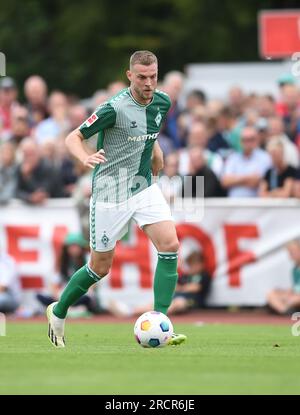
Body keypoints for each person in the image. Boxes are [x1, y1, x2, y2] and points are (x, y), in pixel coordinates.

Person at [46, 50, 186, 348]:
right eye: (142, 77)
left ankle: (161, 321)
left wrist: (157, 155)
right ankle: (58, 312)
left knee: (170, 245)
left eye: (153, 77)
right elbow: (74, 137)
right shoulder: (114, 107)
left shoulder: (163, 101)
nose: (148, 83)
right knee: (99, 267)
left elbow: (152, 132)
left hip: (143, 187)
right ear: (129, 76)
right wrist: (85, 157)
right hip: (110, 192)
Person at [108, 248, 211, 317]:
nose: (191, 268)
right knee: (158, 302)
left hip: (192, 301)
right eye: (190, 265)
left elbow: (195, 287)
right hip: (176, 297)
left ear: (200, 264)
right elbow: (175, 286)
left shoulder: (204, 276)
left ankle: (158, 315)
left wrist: (181, 288)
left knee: (179, 303)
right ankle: (131, 311)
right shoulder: (186, 276)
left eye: (194, 265)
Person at [37, 233, 99, 315]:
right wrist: (60, 297)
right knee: (41, 296)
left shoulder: (88, 259)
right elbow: (53, 284)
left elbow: (93, 284)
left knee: (88, 297)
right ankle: (71, 309)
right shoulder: (62, 263)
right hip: (65, 294)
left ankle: (65, 309)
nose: (74, 249)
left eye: (76, 246)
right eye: (71, 246)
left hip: (82, 293)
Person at [266, 239, 300, 315]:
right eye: (290, 253)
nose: (291, 255)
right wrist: (289, 291)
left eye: (293, 252)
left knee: (294, 299)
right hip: (295, 295)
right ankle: (287, 311)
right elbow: (296, 286)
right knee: (271, 294)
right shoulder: (295, 269)